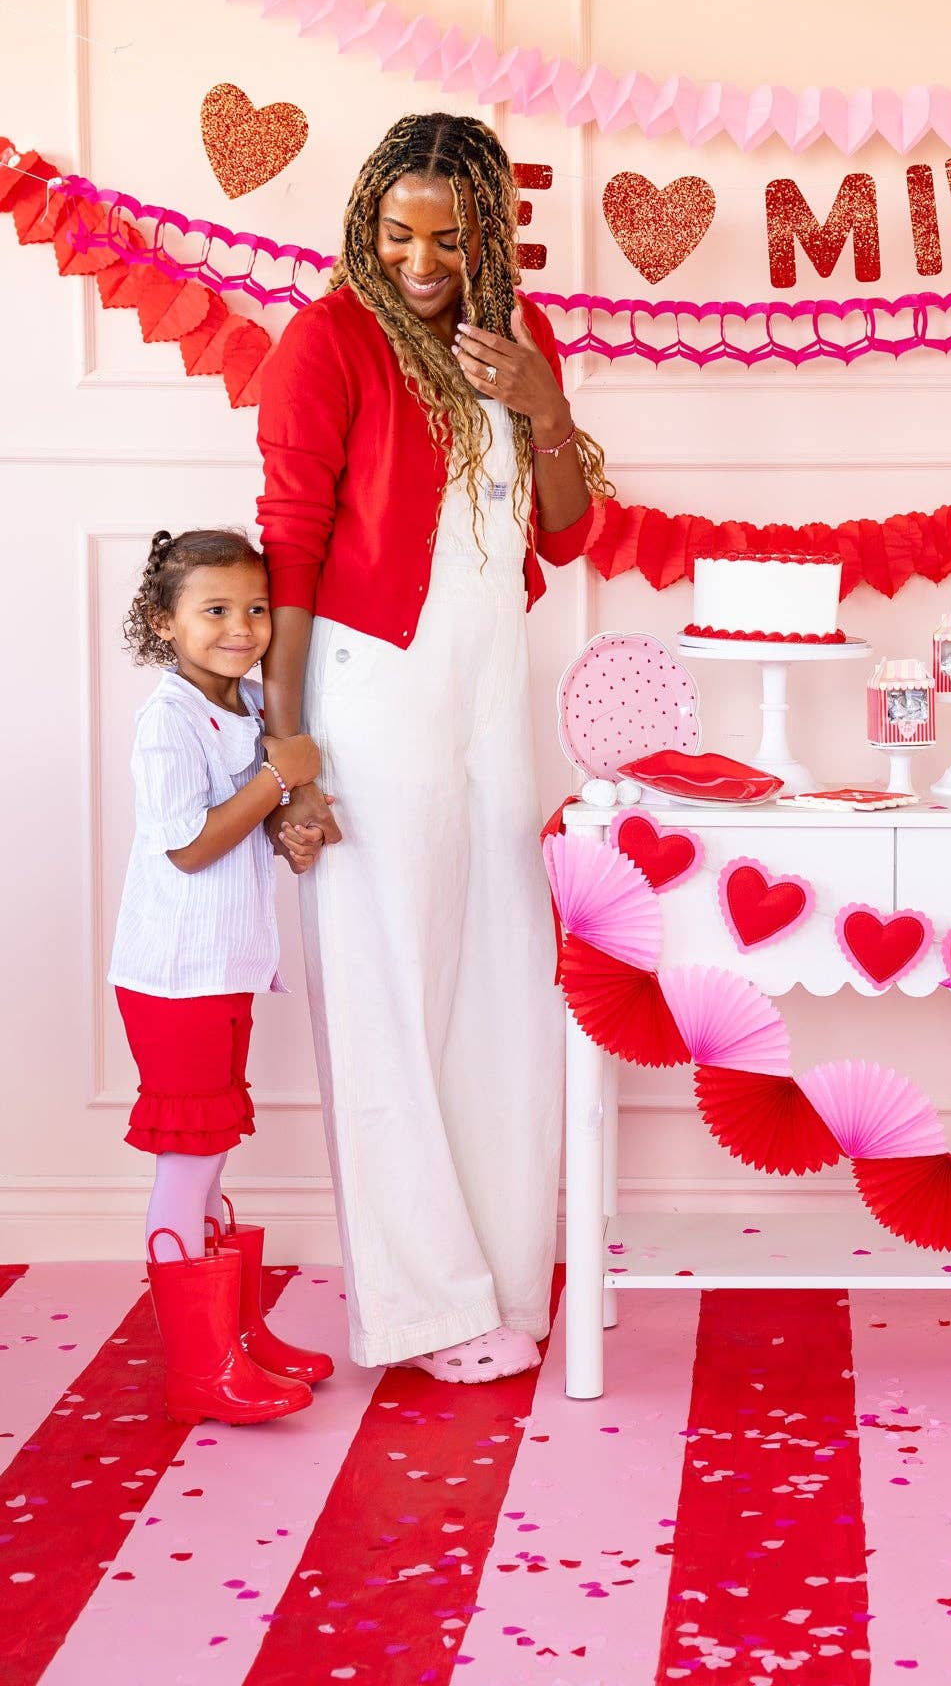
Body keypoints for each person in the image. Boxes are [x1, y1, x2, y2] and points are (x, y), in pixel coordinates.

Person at [256, 111, 609, 1380]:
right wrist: (287, 746)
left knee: (508, 972)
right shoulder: (330, 338)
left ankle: (504, 1274)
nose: (420, 260)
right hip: (373, 686)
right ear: (368, 223)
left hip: (489, 682)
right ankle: (425, 1310)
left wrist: (543, 399)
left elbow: (564, 534)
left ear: (490, 234)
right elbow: (291, 543)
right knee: (389, 983)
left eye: (449, 238)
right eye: (399, 234)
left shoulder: (517, 334)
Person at [111, 527, 334, 1425]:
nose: (241, 628)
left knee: (210, 1160)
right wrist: (279, 779)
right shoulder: (167, 721)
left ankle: (234, 1336)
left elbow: (241, 828)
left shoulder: (240, 706)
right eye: (214, 610)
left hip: (221, 972)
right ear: (164, 623)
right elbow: (191, 847)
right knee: (189, 1160)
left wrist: (288, 828)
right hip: (175, 977)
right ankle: (200, 1368)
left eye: (255, 609)